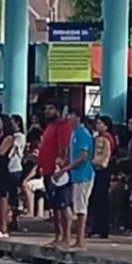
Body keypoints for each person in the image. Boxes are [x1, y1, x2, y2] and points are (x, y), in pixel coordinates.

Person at [55, 111, 94, 250]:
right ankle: (76, 239)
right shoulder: (74, 133)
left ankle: (80, 240)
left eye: (71, 116)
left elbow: (83, 156)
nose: (68, 119)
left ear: (78, 117)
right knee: (77, 205)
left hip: (84, 174)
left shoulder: (83, 133)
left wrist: (66, 169)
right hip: (75, 175)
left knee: (81, 207)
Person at [38, 102, 73, 247]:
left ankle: (66, 236)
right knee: (54, 206)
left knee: (63, 204)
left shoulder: (63, 126)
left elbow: (64, 147)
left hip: (58, 171)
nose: (47, 111)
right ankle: (58, 235)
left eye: (51, 108)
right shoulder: (49, 127)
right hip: (47, 170)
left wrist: (61, 165)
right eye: (46, 108)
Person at [88, 116, 114, 239]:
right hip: (97, 169)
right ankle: (96, 227)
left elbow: (104, 157)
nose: (97, 125)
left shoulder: (105, 139)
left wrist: (92, 162)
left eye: (100, 123)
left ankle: (100, 228)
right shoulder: (97, 138)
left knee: (100, 199)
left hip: (101, 170)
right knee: (96, 199)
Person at [8, 115, 27, 232]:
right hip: (7, 168)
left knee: (13, 194)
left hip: (15, 167)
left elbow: (14, 150)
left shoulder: (19, 137)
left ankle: (13, 219)